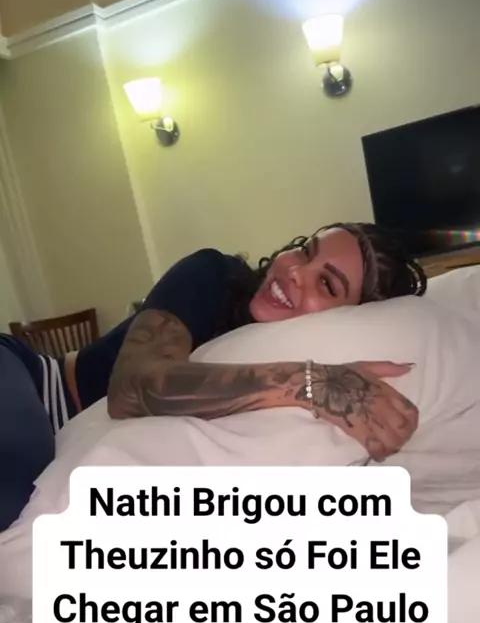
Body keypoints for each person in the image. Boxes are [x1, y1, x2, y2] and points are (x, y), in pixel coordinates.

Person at [0, 222, 426, 532]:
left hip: (67, 437)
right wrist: (312, 384)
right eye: (305, 251)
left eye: (326, 285)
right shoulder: (213, 275)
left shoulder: (295, 344)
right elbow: (132, 386)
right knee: (13, 486)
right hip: (40, 383)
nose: (294, 271)